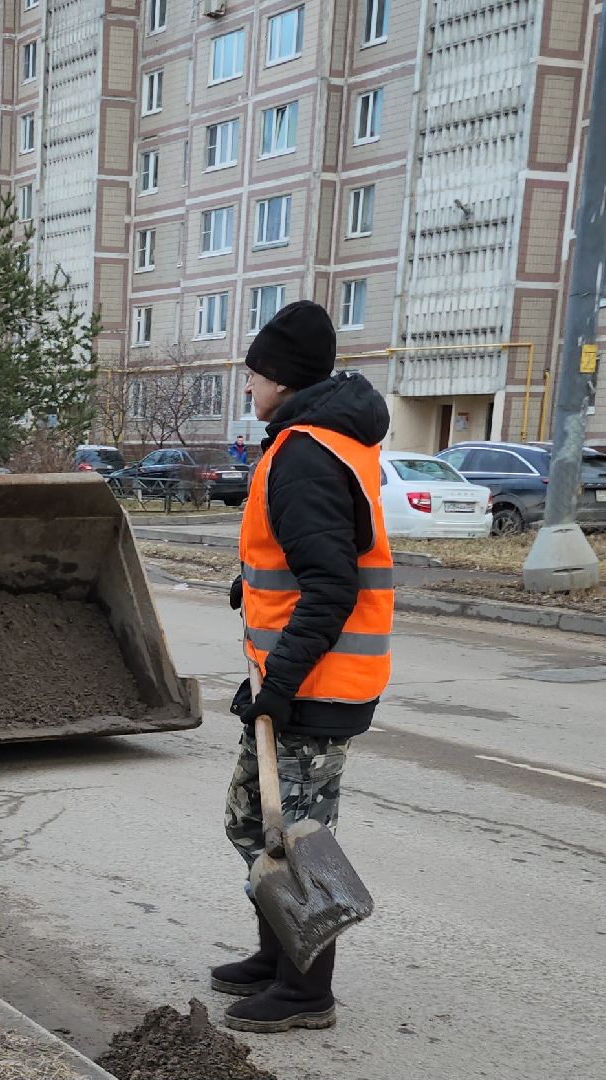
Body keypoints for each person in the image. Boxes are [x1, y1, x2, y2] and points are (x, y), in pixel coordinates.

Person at [213, 301, 392, 1034]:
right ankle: (276, 952)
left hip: (315, 684)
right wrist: (247, 588)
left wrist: (279, 687)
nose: (247, 387)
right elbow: (305, 558)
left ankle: (304, 991)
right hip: (294, 673)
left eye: (251, 375)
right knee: (251, 822)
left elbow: (330, 585)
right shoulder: (307, 444)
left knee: (296, 834)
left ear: (279, 379)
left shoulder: (305, 455)